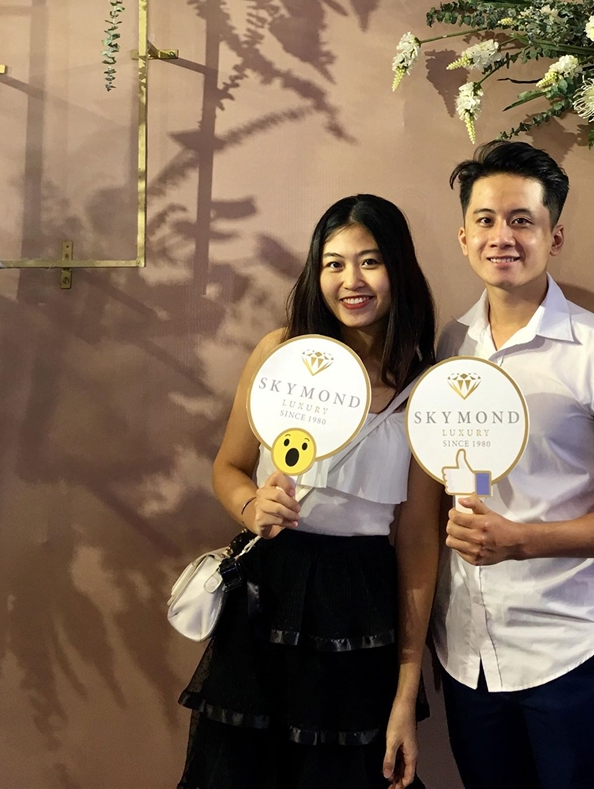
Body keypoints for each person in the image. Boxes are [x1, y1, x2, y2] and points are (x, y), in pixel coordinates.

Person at [432, 140, 594, 789]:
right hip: (465, 652)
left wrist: (522, 541)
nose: (502, 237)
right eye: (486, 220)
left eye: (522, 220)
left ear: (554, 236)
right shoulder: (449, 347)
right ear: (464, 237)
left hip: (568, 651)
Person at [178, 194, 444, 789]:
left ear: (399, 268)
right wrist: (252, 505)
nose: (352, 281)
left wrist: (406, 693)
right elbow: (228, 466)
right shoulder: (279, 353)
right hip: (267, 595)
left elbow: (419, 542)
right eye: (333, 264)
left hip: (363, 604)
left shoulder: (424, 387)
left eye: (370, 261)